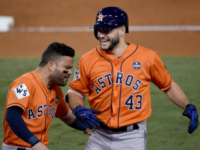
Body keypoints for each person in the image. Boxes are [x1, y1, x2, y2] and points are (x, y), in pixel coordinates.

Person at [66, 6, 199, 150]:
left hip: (132, 138)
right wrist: (78, 108)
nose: (101, 35)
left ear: (122, 30)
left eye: (107, 30)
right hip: (98, 135)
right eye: (99, 30)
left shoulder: (148, 58)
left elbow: (168, 86)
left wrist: (187, 105)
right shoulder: (87, 59)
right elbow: (75, 91)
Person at [2, 42, 91, 150]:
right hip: (18, 147)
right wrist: (35, 143)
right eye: (67, 68)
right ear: (51, 65)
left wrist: (87, 127)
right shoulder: (24, 84)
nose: (70, 72)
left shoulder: (55, 89)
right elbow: (12, 116)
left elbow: (65, 115)